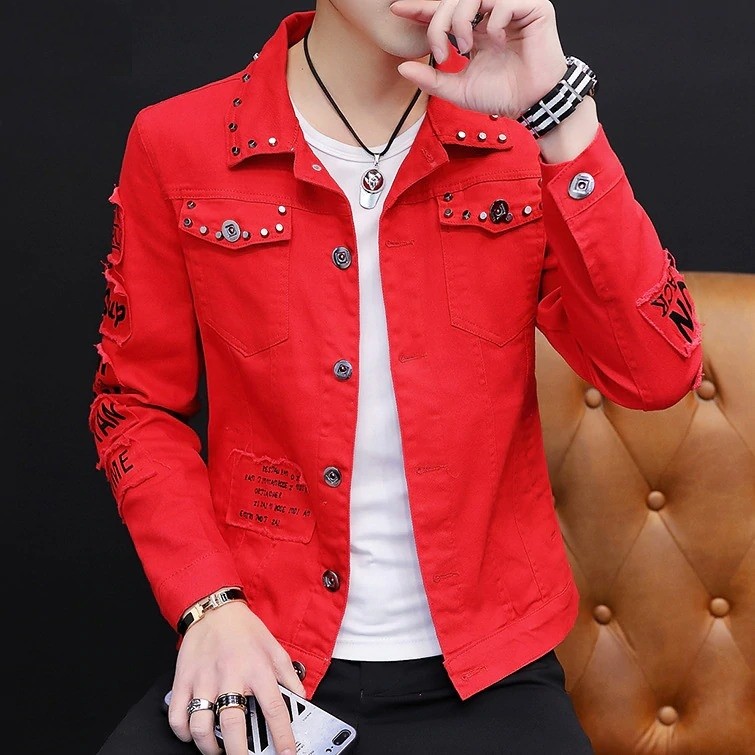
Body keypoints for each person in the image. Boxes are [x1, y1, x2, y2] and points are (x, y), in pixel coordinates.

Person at [89, 1, 704, 753]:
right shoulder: (177, 141)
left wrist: (560, 114)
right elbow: (135, 406)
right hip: (264, 652)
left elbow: (657, 372)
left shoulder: (519, 132)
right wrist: (209, 606)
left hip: (491, 667)